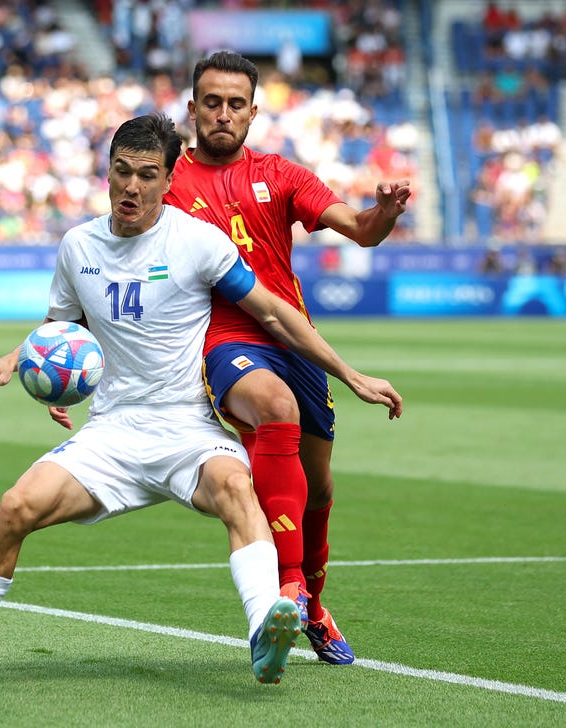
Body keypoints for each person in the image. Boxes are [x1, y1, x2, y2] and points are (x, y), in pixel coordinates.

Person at [0, 113, 402, 694]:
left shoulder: (197, 242)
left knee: (236, 489)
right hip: (112, 433)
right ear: (106, 173)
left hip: (188, 430)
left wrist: (350, 375)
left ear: (169, 177)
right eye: (121, 172)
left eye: (147, 175)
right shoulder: (78, 246)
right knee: (14, 509)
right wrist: (9, 363)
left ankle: (264, 633)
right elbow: (58, 328)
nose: (132, 186)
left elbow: (274, 313)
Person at [161, 50, 411, 665]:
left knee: (319, 492)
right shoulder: (164, 181)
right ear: (192, 109)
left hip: (293, 336)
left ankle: (315, 606)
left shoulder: (280, 173)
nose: (222, 114)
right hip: (224, 340)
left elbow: (359, 228)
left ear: (253, 111)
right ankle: (289, 587)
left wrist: (384, 213)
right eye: (211, 103)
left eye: (235, 104)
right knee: (273, 407)